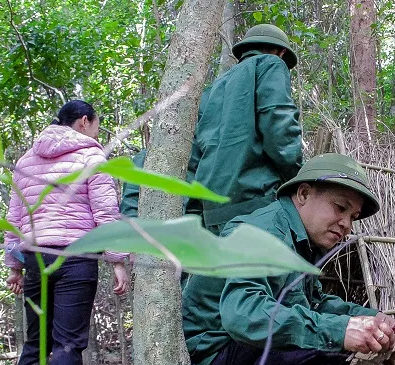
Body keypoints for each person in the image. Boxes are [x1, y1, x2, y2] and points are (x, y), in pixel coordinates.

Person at [183, 153, 395, 365]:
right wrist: (339, 330)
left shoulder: (298, 241)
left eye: (353, 216)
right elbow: (242, 312)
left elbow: (314, 303)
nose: (346, 224)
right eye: (340, 208)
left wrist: (367, 318)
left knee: (328, 336)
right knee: (314, 336)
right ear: (303, 194)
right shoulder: (262, 232)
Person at [3, 100, 130, 365]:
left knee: (36, 342)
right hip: (77, 255)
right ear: (84, 121)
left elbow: (15, 218)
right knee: (68, 344)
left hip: (35, 257)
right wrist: (118, 261)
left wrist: (14, 266)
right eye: (97, 124)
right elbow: (106, 212)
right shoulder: (92, 156)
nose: (97, 131)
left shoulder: (26, 160)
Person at [120, 24, 303, 231]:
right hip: (257, 204)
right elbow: (279, 126)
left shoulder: (213, 89)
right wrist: (298, 178)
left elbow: (195, 153)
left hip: (212, 211)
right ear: (282, 52)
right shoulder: (271, 64)